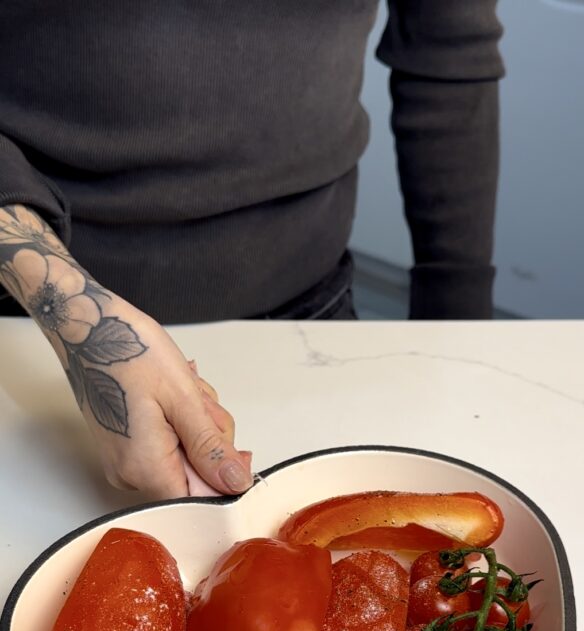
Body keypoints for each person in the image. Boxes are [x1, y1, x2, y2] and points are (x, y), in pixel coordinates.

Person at [0, 2, 504, 499]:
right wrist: (72, 314)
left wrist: (459, 335)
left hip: (310, 317)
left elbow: (449, 55)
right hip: (25, 321)